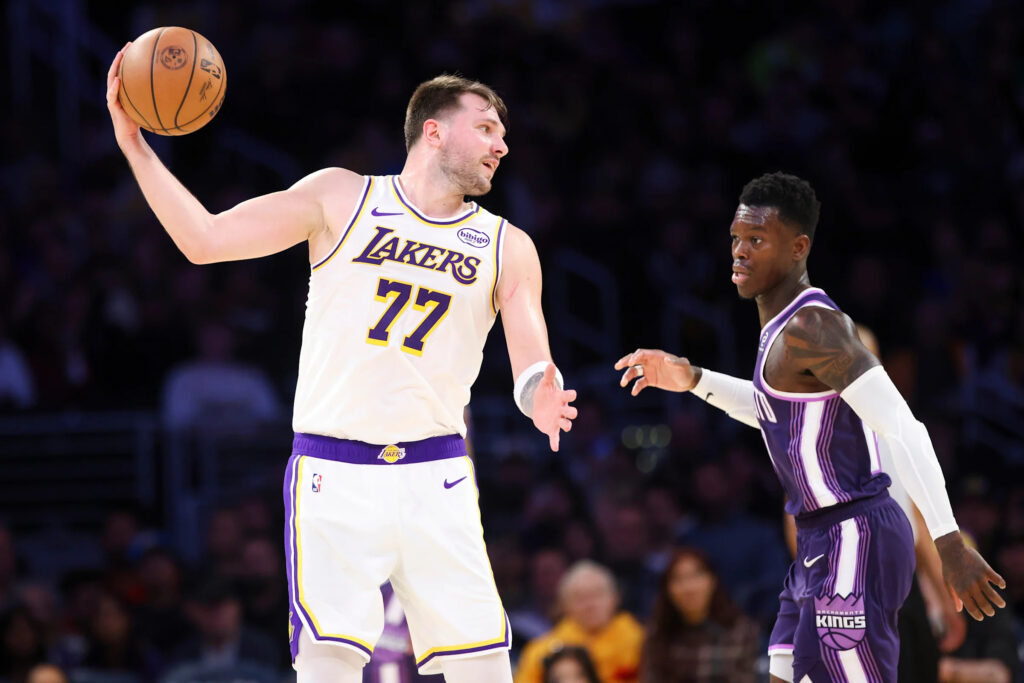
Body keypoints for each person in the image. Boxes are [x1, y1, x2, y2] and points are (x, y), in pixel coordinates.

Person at [106, 43, 577, 683]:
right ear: (434, 131)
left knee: (487, 668)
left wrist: (539, 392)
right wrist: (135, 145)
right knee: (327, 666)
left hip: (436, 472)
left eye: (503, 133)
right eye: (487, 128)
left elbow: (532, 360)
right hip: (335, 468)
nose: (502, 145)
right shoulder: (341, 196)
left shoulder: (507, 245)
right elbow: (205, 240)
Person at [615, 172, 1006, 683]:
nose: (739, 251)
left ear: (798, 247)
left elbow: (906, 429)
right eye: (736, 237)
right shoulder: (777, 327)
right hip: (818, 537)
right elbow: (774, 411)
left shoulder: (815, 327)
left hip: (857, 533)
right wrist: (693, 379)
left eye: (757, 240)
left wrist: (948, 542)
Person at [639, 547, 759, 683]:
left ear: (712, 580)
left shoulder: (740, 630)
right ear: (667, 589)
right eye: (678, 579)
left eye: (696, 576)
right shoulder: (657, 633)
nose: (688, 587)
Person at [514, 561, 644, 683]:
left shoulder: (641, 643)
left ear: (615, 598)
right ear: (564, 606)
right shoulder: (542, 653)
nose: (590, 604)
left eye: (597, 594)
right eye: (580, 598)